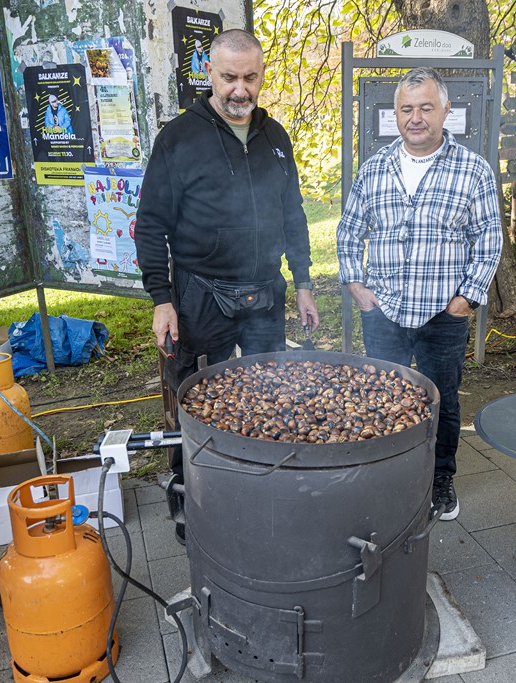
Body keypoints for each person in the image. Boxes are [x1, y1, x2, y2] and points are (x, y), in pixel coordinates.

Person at [134, 29, 319, 543]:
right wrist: (161, 300)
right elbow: (150, 225)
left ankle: (268, 485)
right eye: (229, 77)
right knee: (194, 402)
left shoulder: (275, 137)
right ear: (209, 74)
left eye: (250, 77)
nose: (241, 89)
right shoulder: (177, 138)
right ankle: (189, 499)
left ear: (261, 76)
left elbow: (294, 214)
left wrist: (303, 282)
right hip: (198, 296)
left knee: (270, 393)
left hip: (264, 290)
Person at [336, 68, 503, 522]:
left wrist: (467, 298)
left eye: (426, 108)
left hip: (443, 314)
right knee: (380, 397)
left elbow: (489, 239)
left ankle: (440, 478)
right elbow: (350, 231)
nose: (416, 118)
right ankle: (384, 476)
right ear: (396, 113)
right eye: (407, 109)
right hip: (384, 310)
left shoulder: (473, 170)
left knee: (442, 400)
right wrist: (356, 284)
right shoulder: (374, 168)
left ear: (445, 110)